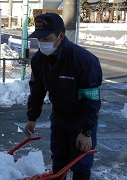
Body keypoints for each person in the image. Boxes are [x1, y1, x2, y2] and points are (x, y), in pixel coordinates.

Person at [24, 13, 102, 180]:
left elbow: (91, 99)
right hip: (59, 116)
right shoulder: (39, 60)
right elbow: (37, 89)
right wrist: (32, 117)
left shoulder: (83, 60)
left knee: (80, 165)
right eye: (39, 40)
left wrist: (87, 131)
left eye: (46, 39)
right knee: (58, 161)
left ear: (61, 36)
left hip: (80, 118)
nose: (42, 44)